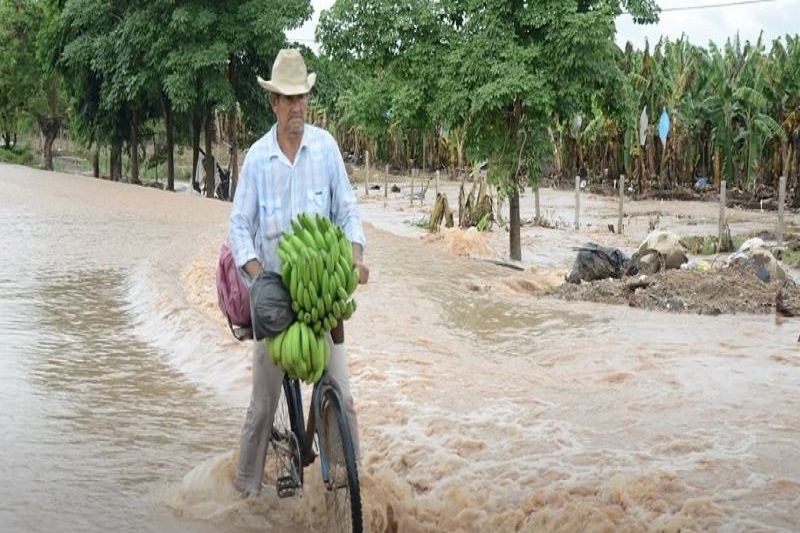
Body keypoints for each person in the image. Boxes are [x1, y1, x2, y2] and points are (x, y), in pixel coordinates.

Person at [228, 48, 369, 496]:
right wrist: (256, 274)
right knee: (262, 405)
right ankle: (244, 493)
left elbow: (348, 211)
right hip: (276, 294)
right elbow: (238, 225)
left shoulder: (324, 149)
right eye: (287, 98)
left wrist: (354, 254)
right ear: (273, 103)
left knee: (342, 395)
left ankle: (349, 486)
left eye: (302, 97)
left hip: (320, 295)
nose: (296, 106)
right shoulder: (257, 159)